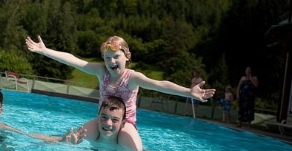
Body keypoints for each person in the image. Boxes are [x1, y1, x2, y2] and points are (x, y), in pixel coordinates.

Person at [25, 35, 216, 141]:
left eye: (116, 57)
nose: (111, 62)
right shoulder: (101, 72)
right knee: (70, 139)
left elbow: (160, 85)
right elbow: (75, 61)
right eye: (107, 58)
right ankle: (30, 138)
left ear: (127, 56)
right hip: (102, 120)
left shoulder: (132, 78)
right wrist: (45, 51)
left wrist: (188, 92)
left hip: (126, 124)